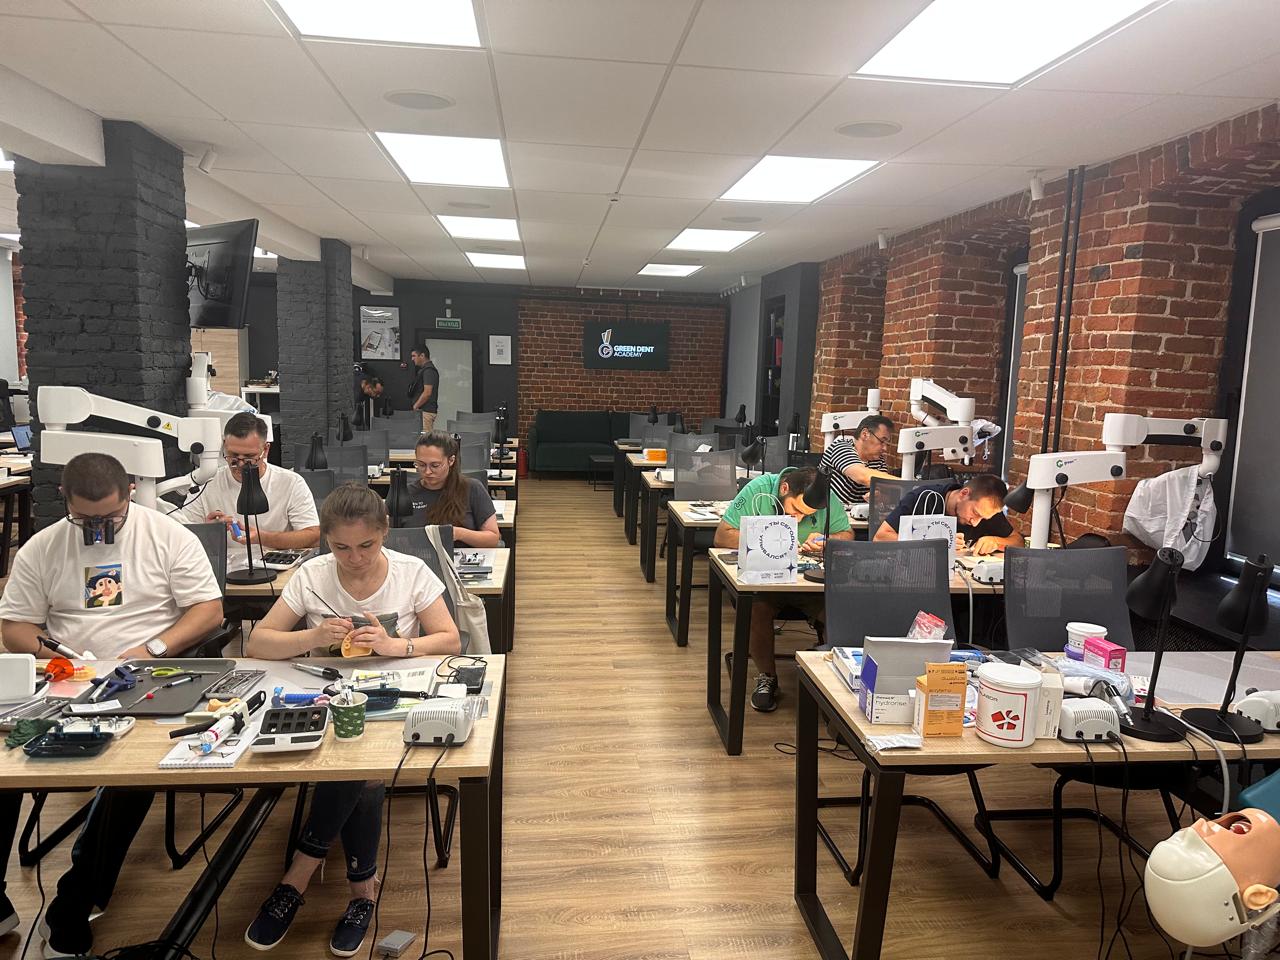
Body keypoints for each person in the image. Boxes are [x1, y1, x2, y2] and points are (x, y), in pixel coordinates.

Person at [0, 453, 223, 957]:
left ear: (130, 495)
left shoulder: (167, 536)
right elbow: (15, 627)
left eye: (110, 517)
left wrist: (151, 649)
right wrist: (56, 657)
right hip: (65, 677)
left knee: (130, 777)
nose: (98, 528)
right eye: (85, 519)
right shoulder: (43, 548)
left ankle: (73, 904)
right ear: (66, 499)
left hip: (147, 675)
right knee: (5, 767)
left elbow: (209, 611)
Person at [243, 483, 459, 955]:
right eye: (341, 547)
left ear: (385, 533)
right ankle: (363, 890)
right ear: (326, 540)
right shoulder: (312, 575)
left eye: (367, 545)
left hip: (393, 698)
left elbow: (449, 639)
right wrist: (313, 636)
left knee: (360, 765)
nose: (355, 558)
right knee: (361, 772)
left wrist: (394, 645)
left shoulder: (411, 571)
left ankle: (298, 876)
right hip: (325, 695)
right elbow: (258, 643)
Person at [713, 466, 853, 713]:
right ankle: (767, 676)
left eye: (807, 515)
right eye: (796, 509)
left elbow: (847, 534)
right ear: (784, 488)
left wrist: (827, 541)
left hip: (809, 583)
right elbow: (722, 537)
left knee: (840, 610)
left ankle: (833, 680)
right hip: (767, 582)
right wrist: (769, 539)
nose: (798, 519)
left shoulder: (824, 496)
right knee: (757, 607)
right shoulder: (759, 489)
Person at [171, 412, 319, 571]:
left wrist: (262, 537)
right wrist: (210, 532)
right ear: (224, 446)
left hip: (276, 570)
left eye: (249, 457)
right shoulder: (207, 483)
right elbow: (180, 537)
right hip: (225, 572)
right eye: (233, 456)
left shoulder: (291, 483)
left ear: (265, 450)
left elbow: (314, 536)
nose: (240, 465)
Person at [873, 473, 1023, 555]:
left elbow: (1018, 541)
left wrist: (996, 541)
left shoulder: (986, 509)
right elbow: (880, 538)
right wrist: (931, 540)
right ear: (964, 494)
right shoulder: (924, 498)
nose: (975, 522)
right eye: (974, 513)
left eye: (983, 518)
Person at [408, 431, 501, 548]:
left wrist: (459, 533)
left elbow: (493, 539)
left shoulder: (472, 488)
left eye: (435, 465)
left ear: (451, 460)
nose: (427, 471)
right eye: (421, 465)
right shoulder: (405, 493)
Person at [818, 414, 898, 507]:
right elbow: (863, 476)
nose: (885, 448)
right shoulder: (840, 448)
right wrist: (905, 484)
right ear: (865, 434)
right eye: (882, 441)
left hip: (857, 514)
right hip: (827, 511)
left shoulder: (878, 462)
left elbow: (884, 490)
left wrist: (879, 496)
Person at [409, 345, 440, 433]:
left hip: (425, 412)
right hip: (423, 412)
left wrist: (416, 406)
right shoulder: (424, 370)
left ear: (422, 355)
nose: (412, 359)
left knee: (425, 439)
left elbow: (427, 392)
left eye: (414, 356)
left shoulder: (429, 371)